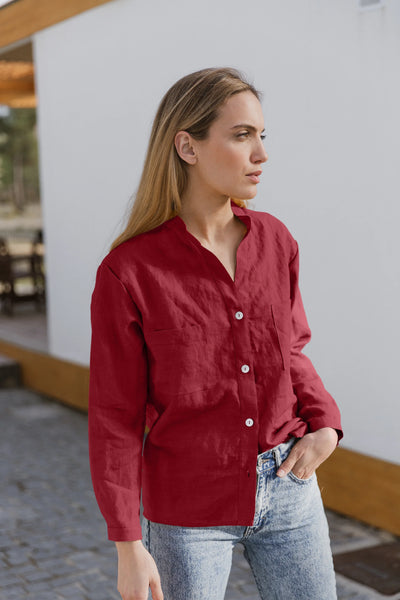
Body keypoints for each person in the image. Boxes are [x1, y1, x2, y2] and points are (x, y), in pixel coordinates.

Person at [88, 67, 343, 600]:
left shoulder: (276, 241)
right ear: (187, 146)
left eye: (262, 136)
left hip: (290, 484)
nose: (262, 154)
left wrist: (325, 424)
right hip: (188, 511)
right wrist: (128, 544)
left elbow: (291, 347)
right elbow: (115, 414)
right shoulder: (129, 270)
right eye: (241, 135)